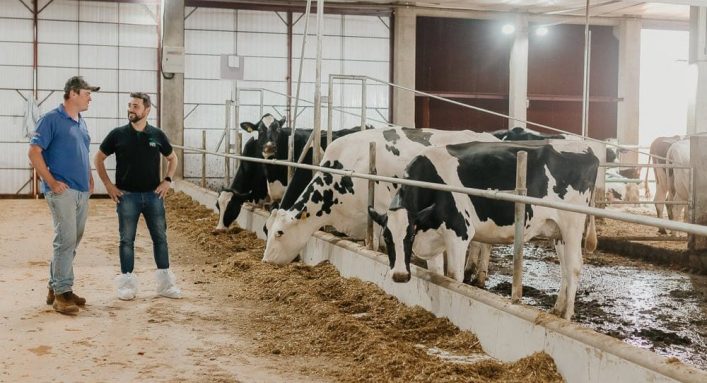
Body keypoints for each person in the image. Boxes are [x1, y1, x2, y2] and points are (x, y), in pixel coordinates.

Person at [94, 92, 181, 300]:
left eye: (135, 106)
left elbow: (172, 158)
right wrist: (108, 185)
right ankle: (127, 285)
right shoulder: (118, 134)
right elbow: (98, 159)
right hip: (127, 197)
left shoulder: (157, 134)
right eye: (130, 105)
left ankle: (165, 285)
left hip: (153, 196)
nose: (131, 110)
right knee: (126, 240)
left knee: (160, 239)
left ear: (147, 110)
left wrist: (167, 181)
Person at [28, 76, 99, 315]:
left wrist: (89, 175)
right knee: (65, 239)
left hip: (81, 190)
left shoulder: (81, 122)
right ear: (73, 94)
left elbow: (83, 151)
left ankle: (57, 286)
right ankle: (61, 294)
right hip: (62, 191)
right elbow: (34, 153)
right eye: (88, 93)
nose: (90, 97)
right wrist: (50, 182)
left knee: (73, 240)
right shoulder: (50, 119)